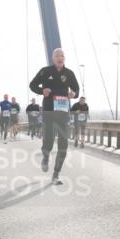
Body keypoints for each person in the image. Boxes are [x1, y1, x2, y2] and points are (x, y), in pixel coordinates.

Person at [29, 48, 80, 184]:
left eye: (62, 55)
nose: (60, 57)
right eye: (57, 55)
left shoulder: (69, 73)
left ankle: (56, 174)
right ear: (53, 58)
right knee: (49, 142)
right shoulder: (45, 71)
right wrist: (42, 91)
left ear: (64, 58)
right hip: (49, 112)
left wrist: (73, 94)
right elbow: (32, 85)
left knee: (63, 145)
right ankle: (45, 156)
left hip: (63, 113)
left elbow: (77, 89)